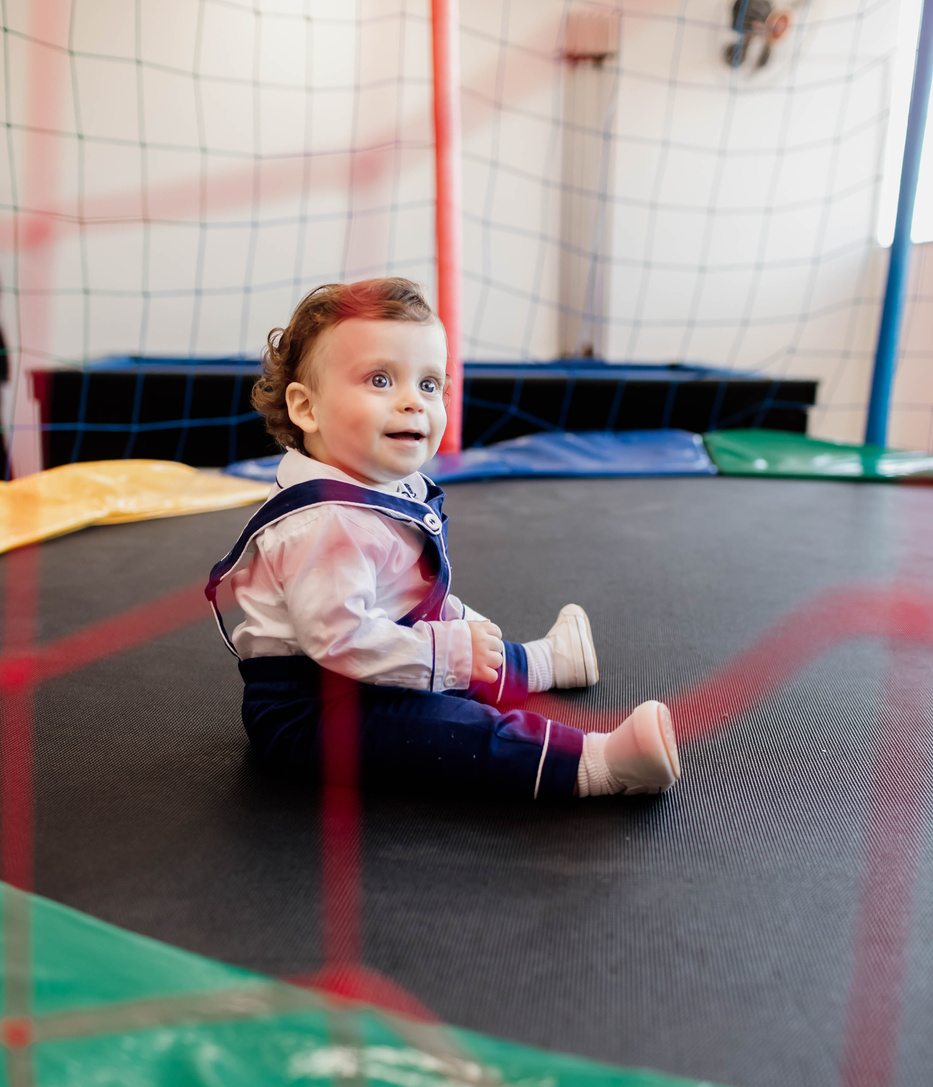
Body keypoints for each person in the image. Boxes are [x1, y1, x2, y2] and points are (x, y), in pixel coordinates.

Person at [206, 278, 680, 801]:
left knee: (456, 652)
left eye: (430, 384)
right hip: (311, 712)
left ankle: (544, 663)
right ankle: (598, 765)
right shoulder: (324, 526)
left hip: (364, 667)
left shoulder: (379, 488)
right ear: (307, 408)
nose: (414, 401)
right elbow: (339, 640)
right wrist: (447, 651)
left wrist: (457, 635)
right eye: (381, 379)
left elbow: (407, 599)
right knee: (452, 726)